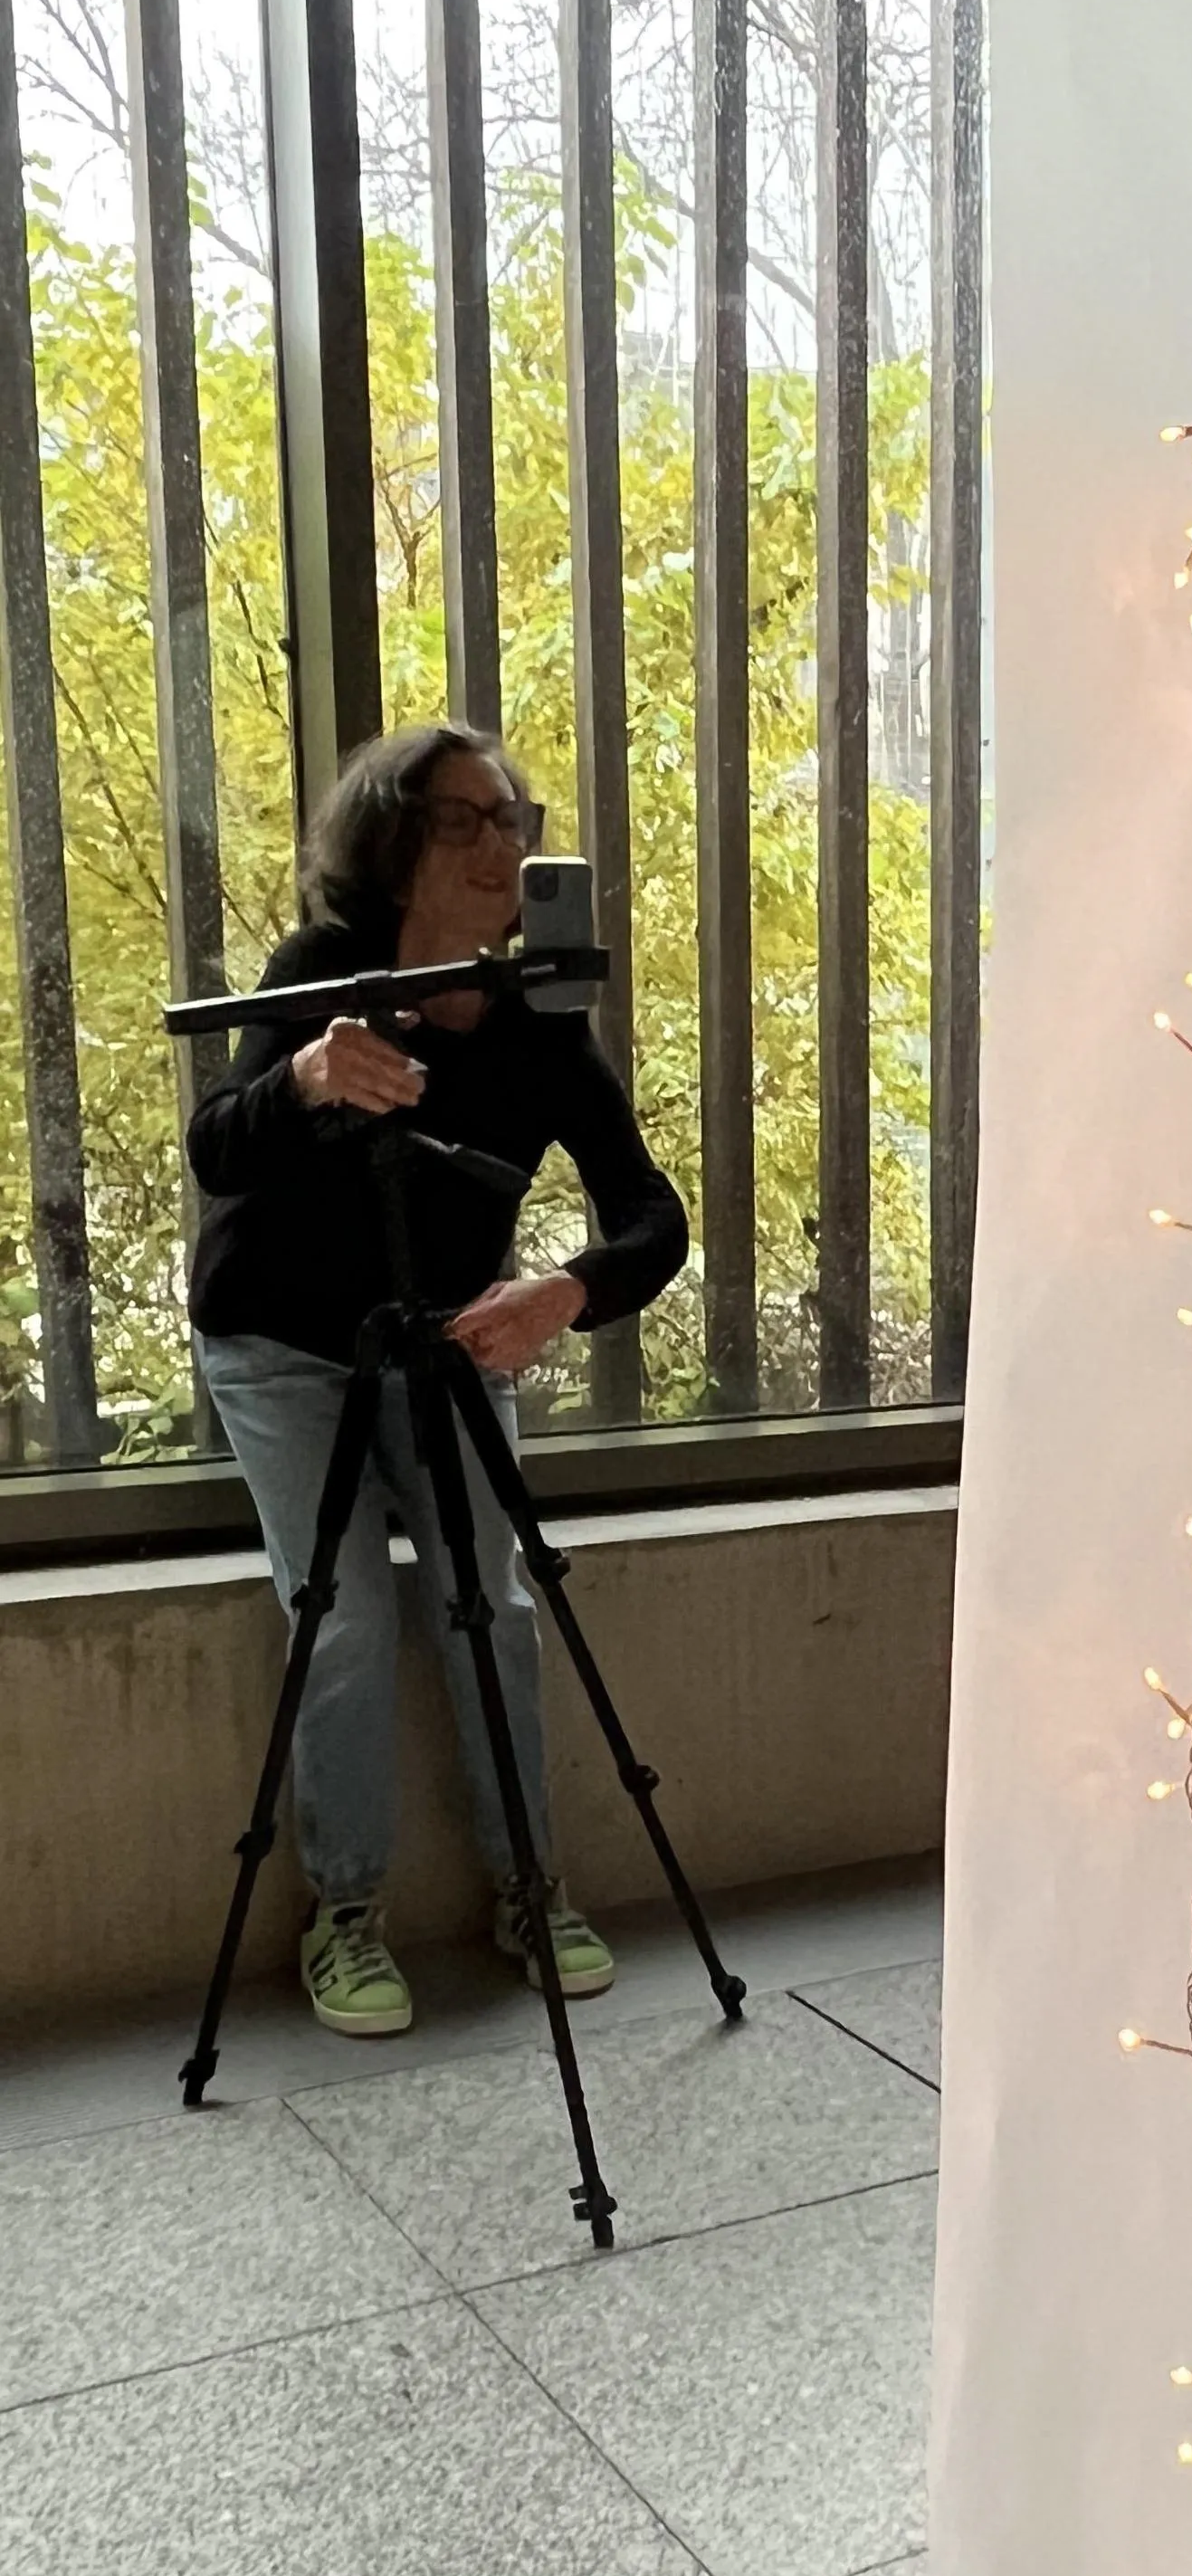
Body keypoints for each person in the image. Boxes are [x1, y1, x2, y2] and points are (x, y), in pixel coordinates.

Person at [187, 723, 688, 2039]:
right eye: (463, 819)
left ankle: (531, 1884)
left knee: (496, 1603)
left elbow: (649, 1212)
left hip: (446, 1338)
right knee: (341, 1611)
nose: (499, 844)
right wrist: (302, 1076)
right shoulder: (317, 975)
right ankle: (345, 1910)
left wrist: (561, 1294)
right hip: (283, 1346)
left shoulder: (538, 1020)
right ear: (393, 840)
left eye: (512, 817)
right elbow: (216, 1150)